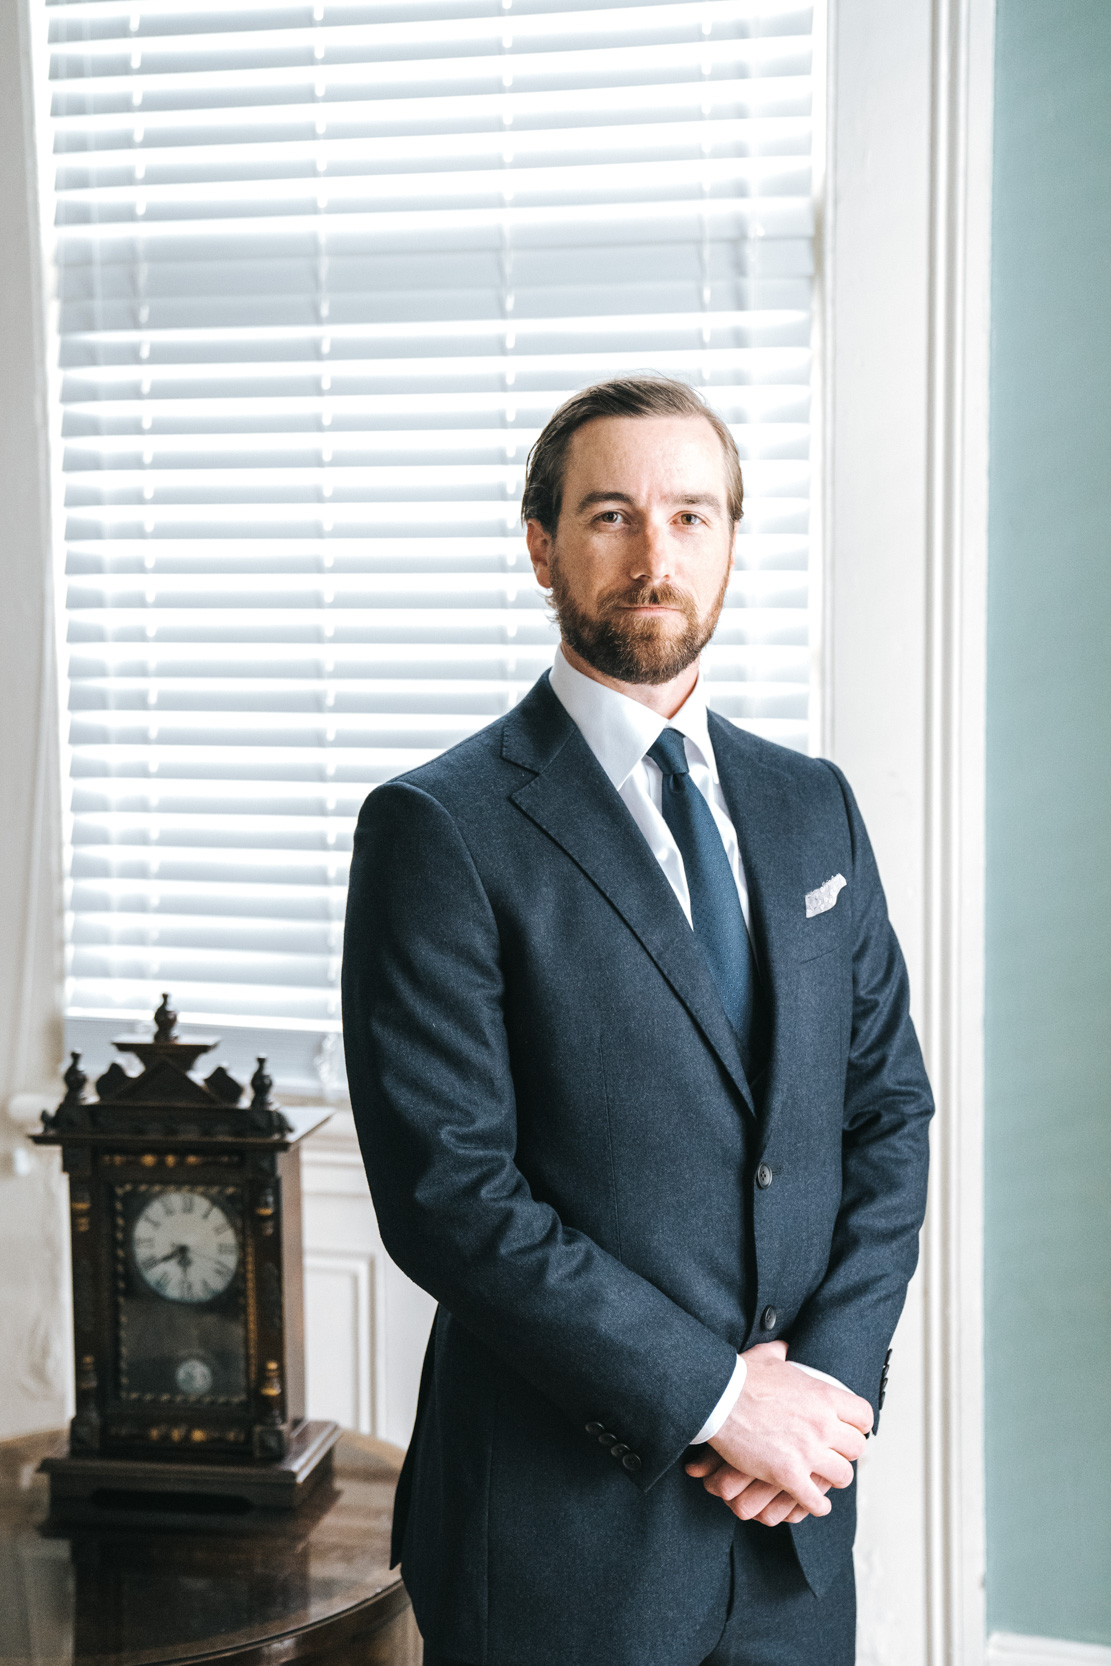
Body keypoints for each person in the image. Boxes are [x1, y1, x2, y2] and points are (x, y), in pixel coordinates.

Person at [341, 376, 933, 1666]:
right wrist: (722, 1399)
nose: (654, 555)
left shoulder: (811, 806)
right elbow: (450, 1192)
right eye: (610, 514)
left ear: (730, 540)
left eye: (691, 514)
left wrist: (823, 1392)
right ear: (543, 544)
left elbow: (888, 1110)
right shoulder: (439, 829)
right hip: (561, 1541)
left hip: (792, 1524)